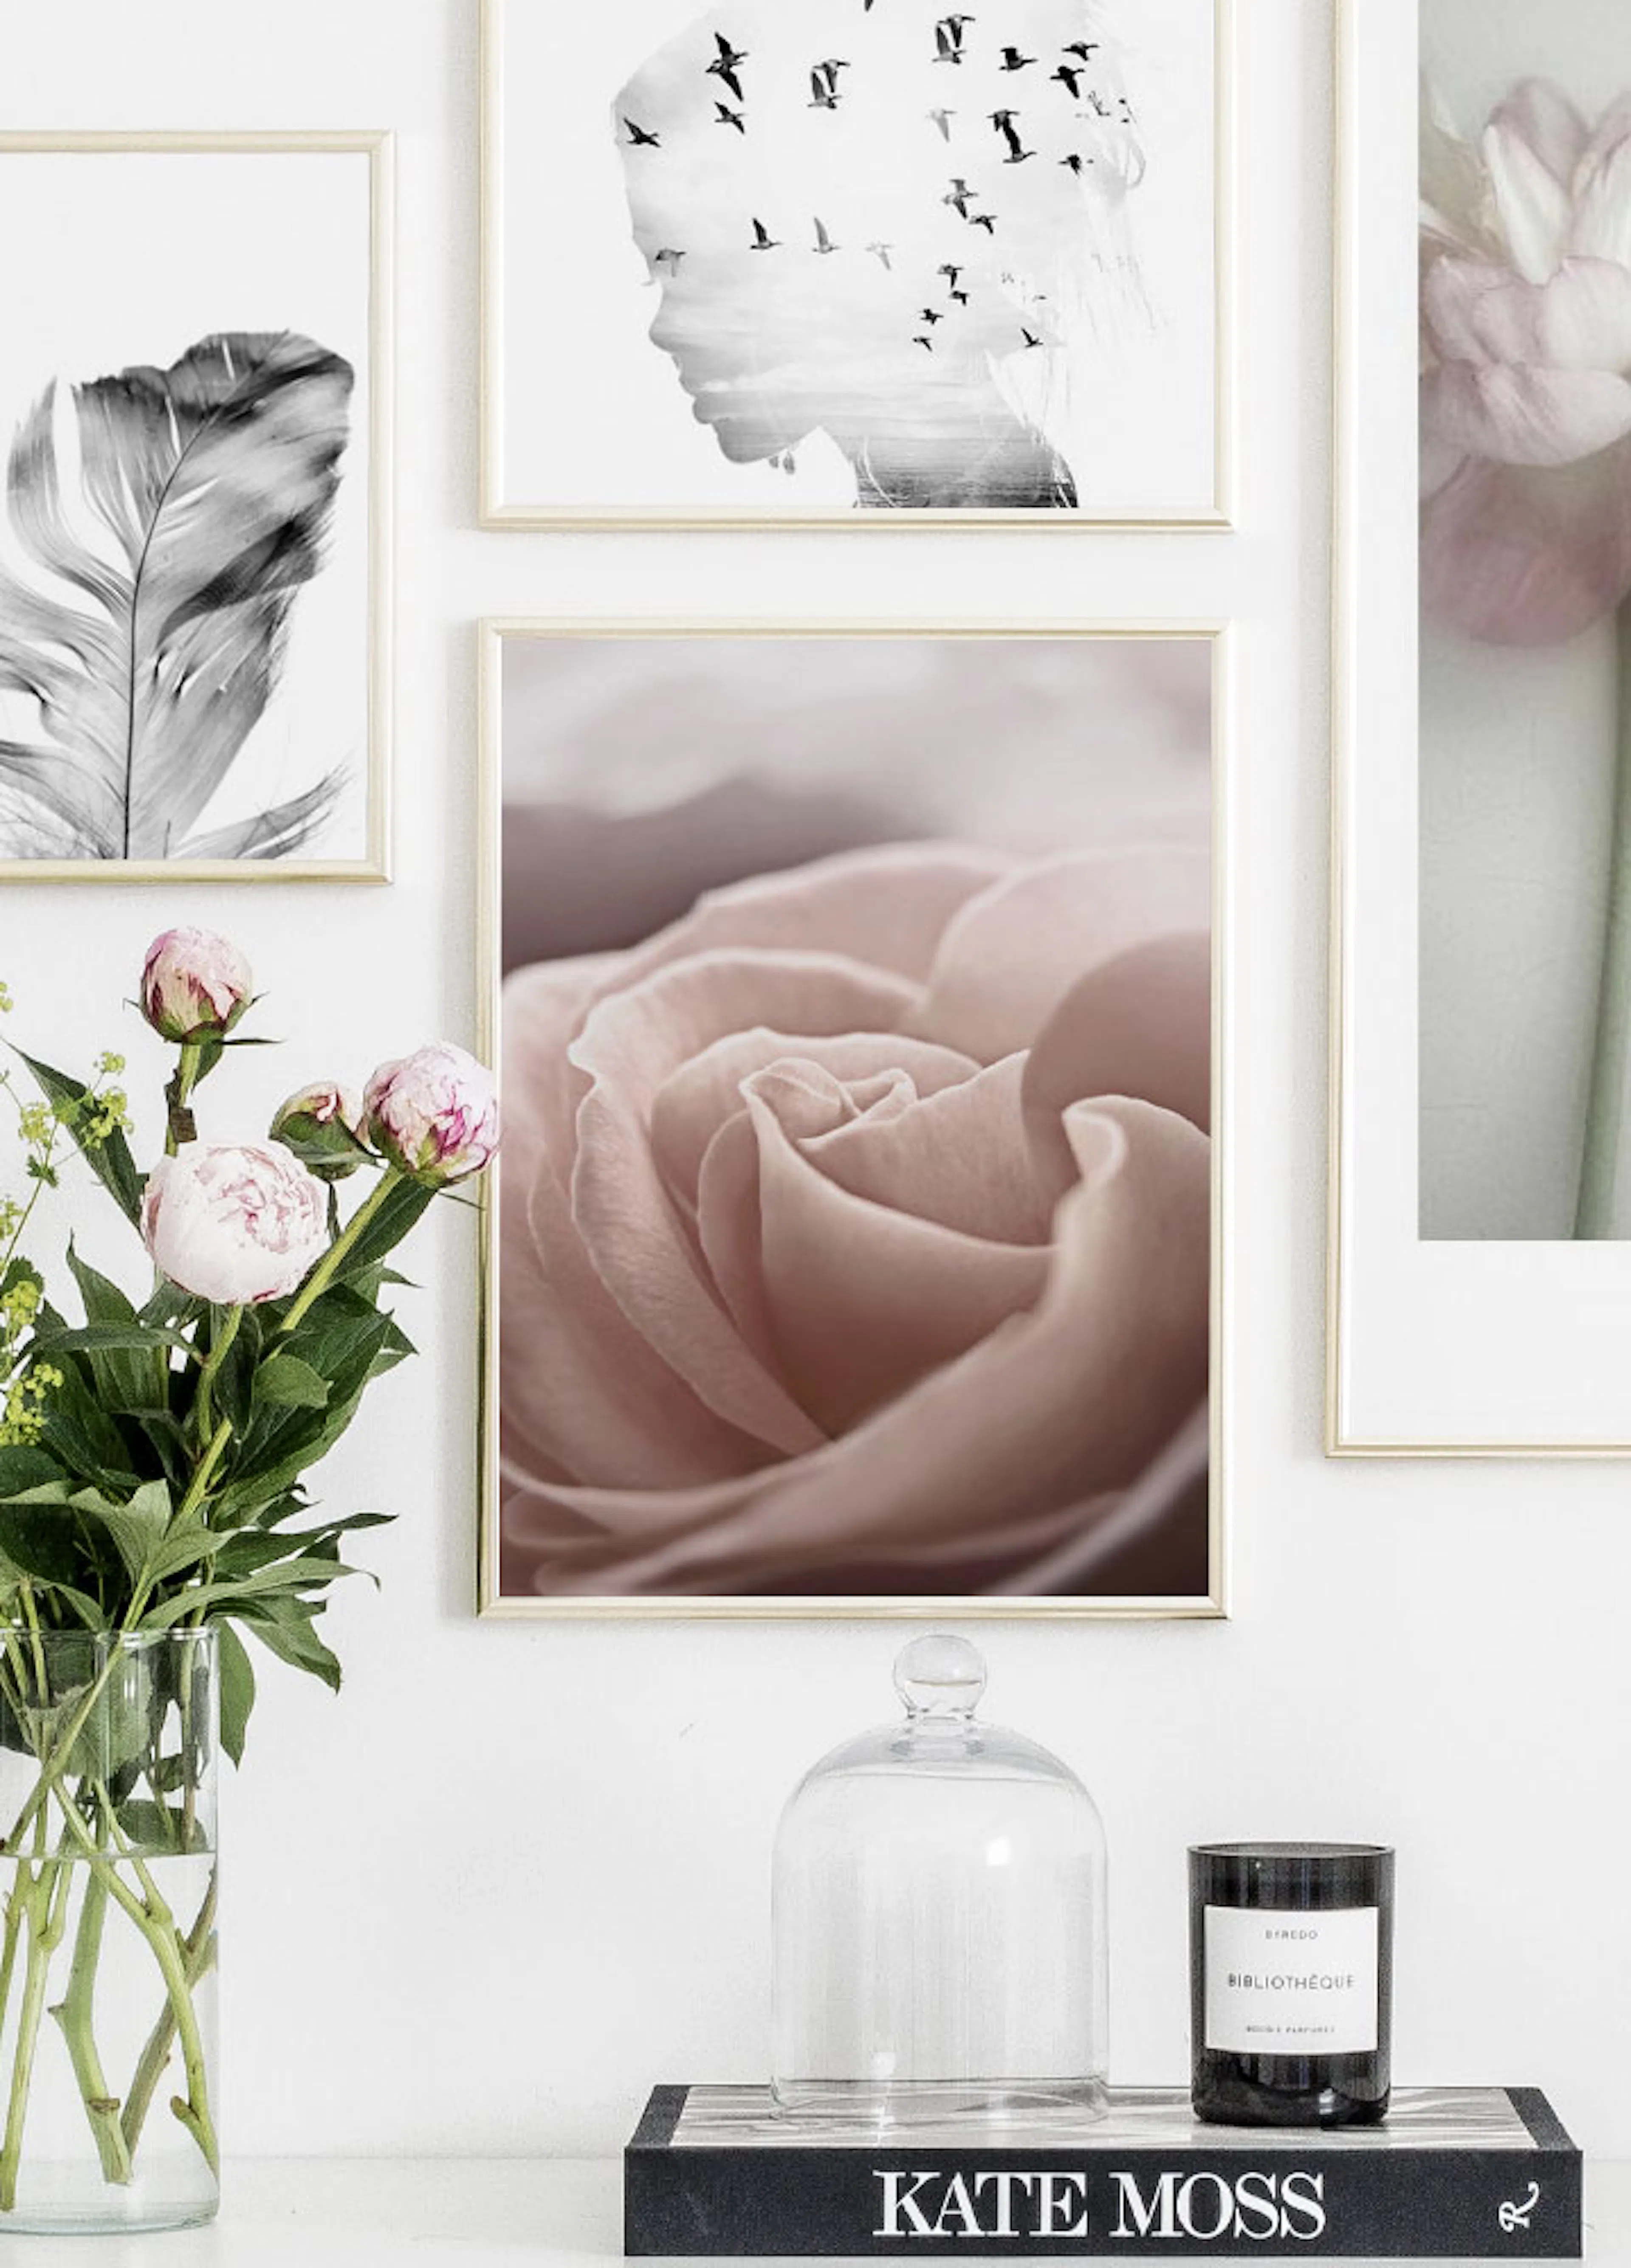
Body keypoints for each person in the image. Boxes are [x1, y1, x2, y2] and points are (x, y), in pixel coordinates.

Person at [615, 0, 1146, 509]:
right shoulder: (964, 511)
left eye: (692, 274)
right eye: (659, 277)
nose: (660, 331)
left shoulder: (971, 540)